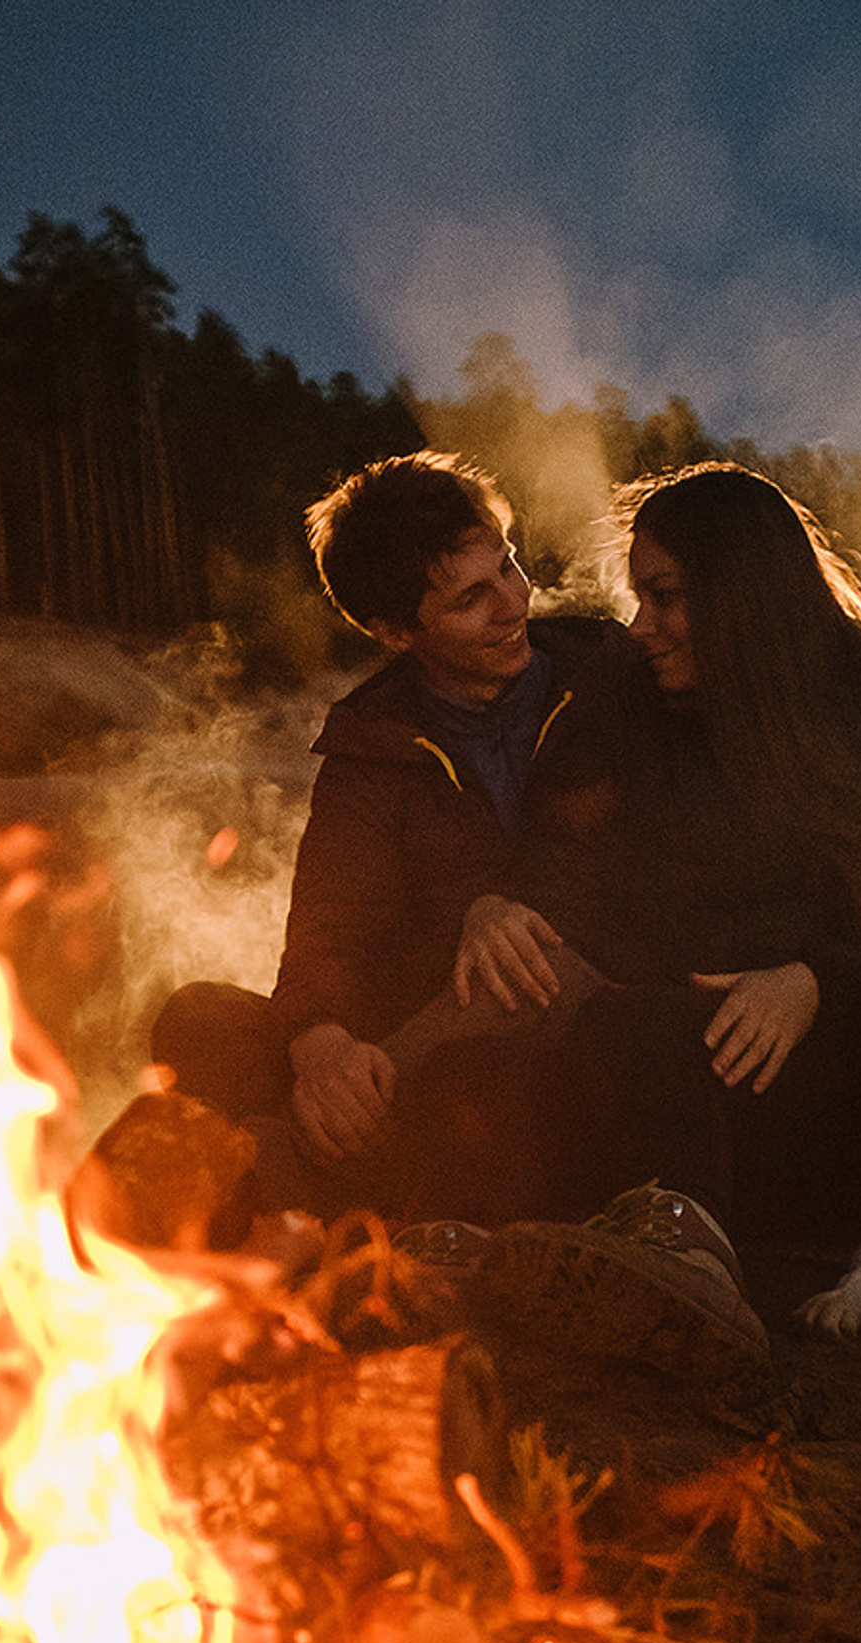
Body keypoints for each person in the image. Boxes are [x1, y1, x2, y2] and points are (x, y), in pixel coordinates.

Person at [471, 460, 861, 1278]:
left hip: (838, 1086)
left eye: (667, 597)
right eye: (638, 597)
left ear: (745, 600)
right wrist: (503, 909)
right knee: (590, 1036)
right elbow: (564, 864)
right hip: (649, 1066)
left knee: (644, 1034)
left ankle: (686, 1266)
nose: (641, 626)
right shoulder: (624, 702)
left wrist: (817, 982)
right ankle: (636, 1241)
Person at [150, 451, 636, 1226]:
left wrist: (501, 908)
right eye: (472, 597)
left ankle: (286, 1177)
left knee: (517, 977)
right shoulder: (372, 743)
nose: (514, 603)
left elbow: (646, 852)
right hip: (423, 1037)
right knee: (199, 1017)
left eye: (508, 567)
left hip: (586, 1016)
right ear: (395, 631)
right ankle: (338, 1158)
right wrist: (321, 1045)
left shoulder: (606, 674)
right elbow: (326, 935)